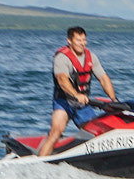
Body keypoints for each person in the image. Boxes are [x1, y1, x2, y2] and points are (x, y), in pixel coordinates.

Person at [37, 25, 118, 157]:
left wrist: (113, 99)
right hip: (63, 103)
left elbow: (103, 78)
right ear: (69, 41)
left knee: (99, 132)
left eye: (84, 40)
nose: (82, 43)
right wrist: (76, 95)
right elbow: (62, 79)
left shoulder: (91, 57)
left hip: (82, 105)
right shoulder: (62, 58)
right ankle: (39, 163)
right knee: (55, 133)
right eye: (78, 40)